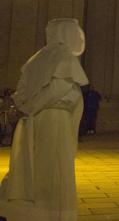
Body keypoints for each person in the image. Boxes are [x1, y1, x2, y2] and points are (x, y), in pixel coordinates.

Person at [0, 18, 88, 221]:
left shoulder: (39, 57)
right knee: (53, 168)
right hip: (54, 121)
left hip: (37, 119)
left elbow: (23, 93)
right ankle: (50, 214)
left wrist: (29, 109)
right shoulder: (64, 57)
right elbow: (58, 90)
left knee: (33, 166)